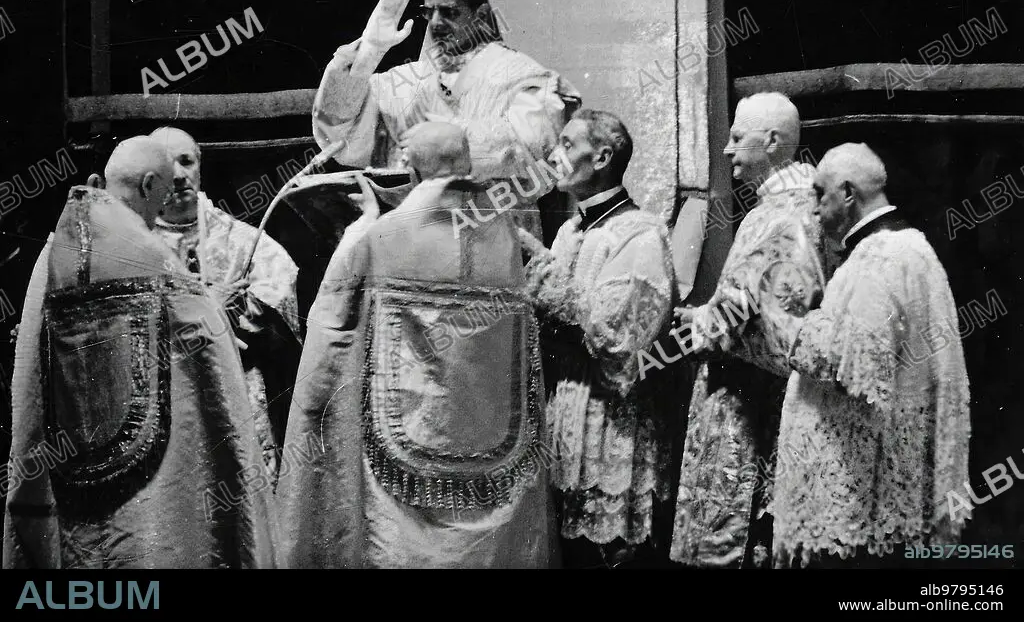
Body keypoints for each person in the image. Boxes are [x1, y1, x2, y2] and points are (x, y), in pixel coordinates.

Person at [277, 121, 557, 568]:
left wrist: (363, 223)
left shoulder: (385, 234)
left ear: (409, 165)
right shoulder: (504, 232)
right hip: (491, 441)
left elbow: (333, 313)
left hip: (407, 453)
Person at [3, 137, 276, 568]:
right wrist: (216, 310)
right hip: (147, 485)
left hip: (64, 463)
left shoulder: (52, 254)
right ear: (149, 185)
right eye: (160, 195)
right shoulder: (154, 259)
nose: (158, 212)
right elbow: (205, 351)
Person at [311, 0, 579, 240]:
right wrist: (364, 61)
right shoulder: (404, 83)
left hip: (496, 244)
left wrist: (437, 143)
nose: (436, 24)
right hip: (413, 246)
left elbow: (532, 153)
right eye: (430, 11)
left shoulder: (525, 78)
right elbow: (338, 138)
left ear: (480, 15)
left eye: (450, 12)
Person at [754, 143, 971, 567]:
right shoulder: (907, 247)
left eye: (821, 194)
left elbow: (856, 368)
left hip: (860, 488)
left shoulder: (881, 256)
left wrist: (784, 323)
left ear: (848, 193)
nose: (814, 209)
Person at [670, 92, 826, 568]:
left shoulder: (790, 214)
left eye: (738, 137)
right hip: (745, 388)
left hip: (754, 398)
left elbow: (776, 320)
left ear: (773, 142)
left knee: (739, 541)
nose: (726, 149)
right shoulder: (777, 209)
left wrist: (702, 325)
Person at [518, 109, 675, 567]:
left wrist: (544, 271)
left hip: (612, 418)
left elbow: (623, 340)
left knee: (607, 553)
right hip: (564, 408)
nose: (555, 155)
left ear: (603, 157)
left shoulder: (640, 232)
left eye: (567, 145)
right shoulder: (570, 230)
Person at [149, 127, 300, 483]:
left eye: (186, 161)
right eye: (167, 165)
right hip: (168, 395)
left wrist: (243, 310)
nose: (179, 174)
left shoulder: (242, 240)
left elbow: (280, 292)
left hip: (238, 391)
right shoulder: (138, 246)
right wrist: (210, 308)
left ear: (200, 166)